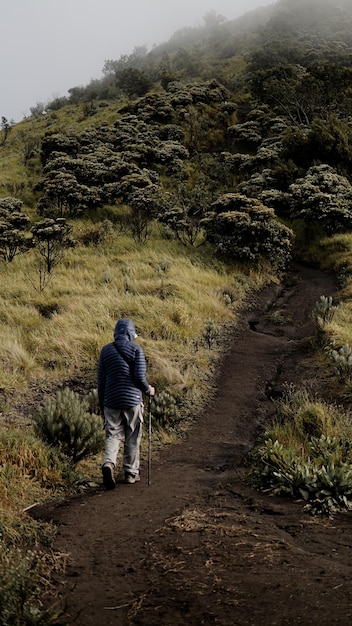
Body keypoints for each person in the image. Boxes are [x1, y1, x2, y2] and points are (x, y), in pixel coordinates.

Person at [98, 318, 155, 489]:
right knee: (132, 435)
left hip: (110, 400)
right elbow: (139, 377)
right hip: (132, 400)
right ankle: (130, 474)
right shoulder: (136, 349)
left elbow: (101, 381)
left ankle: (108, 463)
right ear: (131, 334)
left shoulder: (105, 351)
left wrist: (101, 405)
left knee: (113, 435)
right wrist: (148, 390)